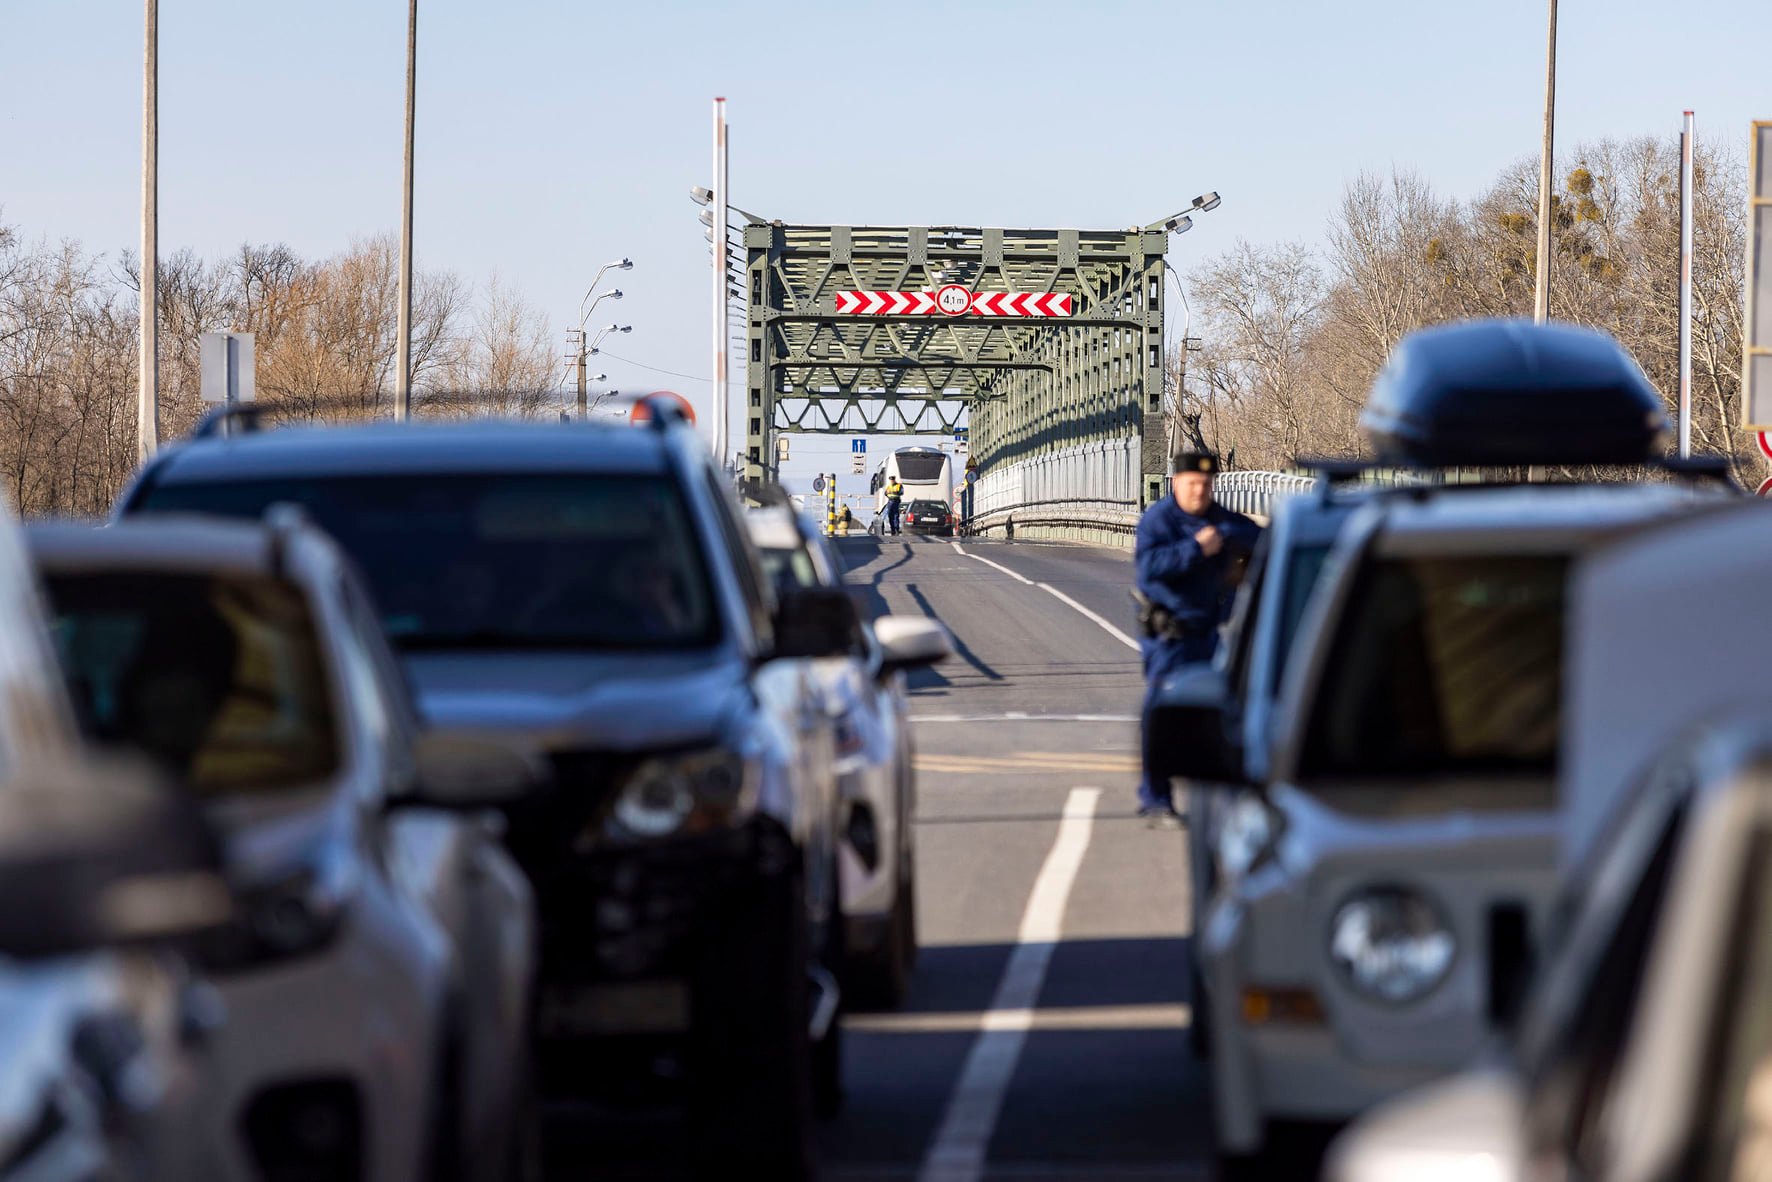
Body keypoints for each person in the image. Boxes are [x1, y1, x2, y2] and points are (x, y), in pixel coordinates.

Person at [1134, 449, 1262, 828]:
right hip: (1170, 638)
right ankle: (1156, 798)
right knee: (1163, 715)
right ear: (1176, 483)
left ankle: (1225, 801)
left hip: (1210, 634)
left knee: (1222, 713)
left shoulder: (1219, 519)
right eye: (1192, 484)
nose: (1200, 491)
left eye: (1206, 484)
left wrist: (1229, 540)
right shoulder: (1159, 520)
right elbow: (1148, 567)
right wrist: (1195, 549)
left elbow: (1260, 537)